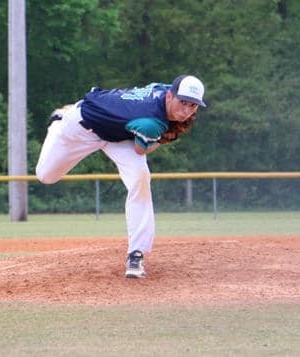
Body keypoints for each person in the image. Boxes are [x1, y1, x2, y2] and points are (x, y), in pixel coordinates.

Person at [35, 75, 206, 278]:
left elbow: (157, 87)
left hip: (117, 136)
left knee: (140, 177)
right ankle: (60, 116)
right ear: (170, 96)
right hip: (81, 125)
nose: (186, 110)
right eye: (183, 102)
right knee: (45, 175)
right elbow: (141, 149)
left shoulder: (165, 92)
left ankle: (136, 254)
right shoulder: (152, 119)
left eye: (193, 106)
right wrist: (163, 138)